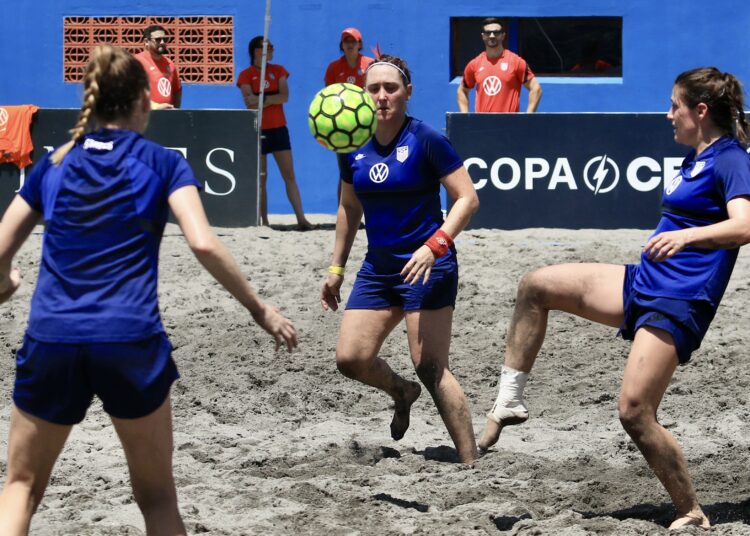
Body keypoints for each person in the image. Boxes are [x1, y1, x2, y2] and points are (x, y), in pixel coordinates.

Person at [0, 45, 298, 535]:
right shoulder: (162, 163)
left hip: (53, 338)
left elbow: (2, 255)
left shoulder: (54, 163)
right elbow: (202, 243)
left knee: (22, 487)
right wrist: (259, 307)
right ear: (145, 100)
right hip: (130, 340)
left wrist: (5, 285)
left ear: (90, 103)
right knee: (157, 500)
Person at [479, 67, 750, 530]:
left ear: (700, 111)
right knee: (536, 285)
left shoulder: (730, 159)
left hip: (678, 299)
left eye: (675, 106)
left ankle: (691, 511)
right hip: (644, 281)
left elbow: (744, 225)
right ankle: (509, 401)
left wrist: (688, 240)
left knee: (634, 411)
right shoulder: (697, 157)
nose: (668, 115)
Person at [321, 54, 480, 464]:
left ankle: (470, 461)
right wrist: (336, 268)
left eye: (390, 87)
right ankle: (400, 391)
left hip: (427, 265)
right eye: (373, 88)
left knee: (430, 366)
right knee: (351, 359)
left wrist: (436, 245)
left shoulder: (426, 138)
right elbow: (348, 209)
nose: (381, 96)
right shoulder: (351, 142)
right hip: (379, 267)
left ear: (407, 93)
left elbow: (467, 198)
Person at [236, 36, 312, 229]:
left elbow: (284, 96)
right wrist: (271, 98)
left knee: (289, 175)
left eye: (272, 47)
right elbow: (249, 102)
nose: (271, 50)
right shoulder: (246, 74)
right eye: (267, 47)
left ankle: (301, 219)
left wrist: (264, 99)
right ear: (256, 50)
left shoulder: (278, 71)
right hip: (257, 129)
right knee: (261, 178)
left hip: (278, 128)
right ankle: (264, 221)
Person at [324, 27, 375, 202]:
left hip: (367, 125)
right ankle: (343, 211)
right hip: (343, 127)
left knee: (368, 165)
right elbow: (328, 98)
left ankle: (369, 209)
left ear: (360, 44)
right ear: (342, 45)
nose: (350, 44)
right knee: (346, 171)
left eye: (353, 41)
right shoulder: (334, 67)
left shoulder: (370, 64)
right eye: (346, 41)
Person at [457, 17, 542, 113]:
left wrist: (528, 117)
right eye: (488, 33)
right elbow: (462, 91)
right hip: (481, 125)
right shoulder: (474, 64)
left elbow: (536, 88)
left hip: (509, 125)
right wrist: (464, 118)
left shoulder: (516, 62)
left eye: (496, 32)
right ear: (483, 36)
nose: (492, 36)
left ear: (503, 35)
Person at [135, 24, 182, 110]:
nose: (162, 42)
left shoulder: (170, 64)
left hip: (165, 118)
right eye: (158, 39)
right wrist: (155, 107)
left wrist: (174, 112)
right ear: (146, 41)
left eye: (165, 39)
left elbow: (177, 91)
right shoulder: (137, 62)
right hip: (144, 116)